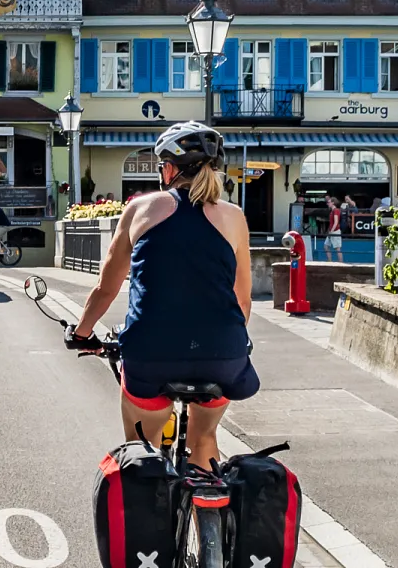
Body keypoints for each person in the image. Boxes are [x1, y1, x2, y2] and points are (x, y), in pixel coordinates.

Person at [67, 120, 256, 471]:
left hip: (151, 354)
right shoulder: (234, 217)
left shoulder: (140, 209)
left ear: (168, 169)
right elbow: (242, 301)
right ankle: (208, 497)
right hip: (222, 355)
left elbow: (106, 288)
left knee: (142, 451)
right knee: (204, 438)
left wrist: (81, 333)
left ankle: (148, 492)